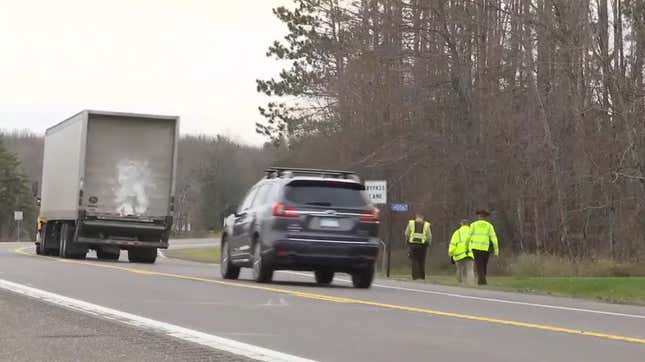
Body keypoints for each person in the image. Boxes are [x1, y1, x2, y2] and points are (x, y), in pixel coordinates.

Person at [470, 209, 499, 285]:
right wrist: (496, 250)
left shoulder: (473, 225)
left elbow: (468, 237)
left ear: (478, 216)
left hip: (475, 248)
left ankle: (482, 280)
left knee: (479, 266)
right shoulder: (489, 226)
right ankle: (482, 281)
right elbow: (494, 238)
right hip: (485, 249)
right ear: (486, 217)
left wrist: (467, 248)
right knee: (483, 265)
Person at [404, 213, 432, 280]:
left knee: (414, 261)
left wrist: (407, 241)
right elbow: (429, 236)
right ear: (422, 218)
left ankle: (415, 276)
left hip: (413, 244)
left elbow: (406, 233)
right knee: (421, 261)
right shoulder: (426, 225)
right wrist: (429, 243)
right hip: (423, 245)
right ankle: (422, 276)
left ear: (416, 217)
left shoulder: (411, 223)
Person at [448, 219, 474, 286]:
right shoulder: (472, 232)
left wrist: (450, 252)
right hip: (470, 254)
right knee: (470, 270)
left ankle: (460, 283)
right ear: (468, 224)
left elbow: (453, 243)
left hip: (459, 254)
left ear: (461, 224)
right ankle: (470, 284)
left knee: (459, 269)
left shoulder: (457, 232)